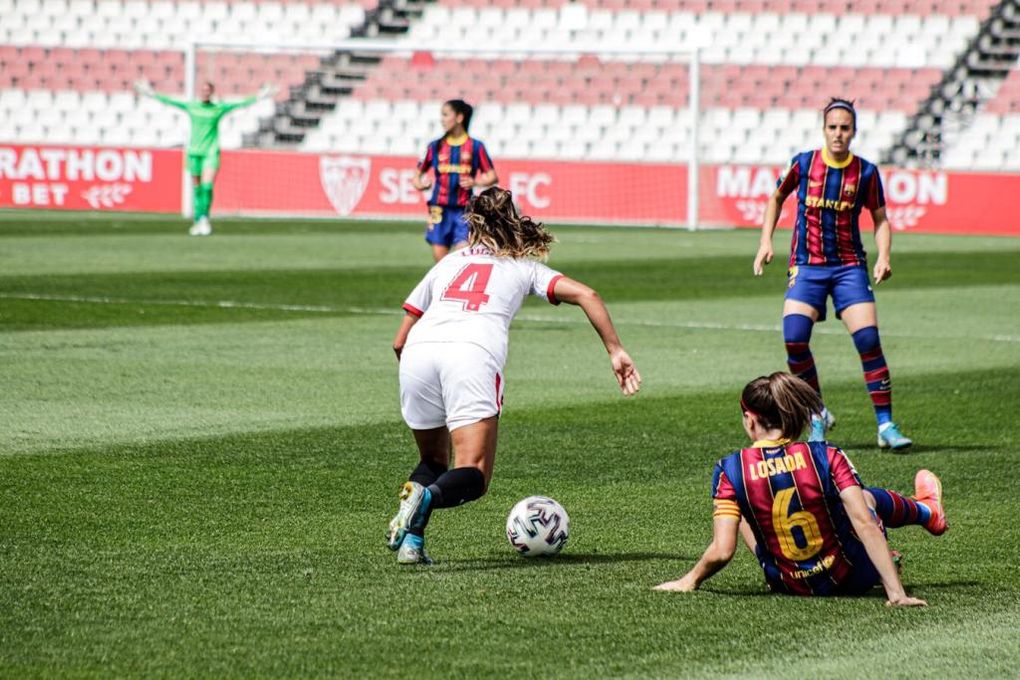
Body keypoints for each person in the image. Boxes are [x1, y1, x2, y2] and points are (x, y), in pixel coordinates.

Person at [387, 187, 641, 565]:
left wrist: (425, 377)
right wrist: (615, 349)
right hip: (470, 354)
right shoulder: (523, 267)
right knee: (472, 471)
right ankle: (425, 499)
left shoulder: (447, 263)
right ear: (513, 222)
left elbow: (399, 341)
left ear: (472, 224)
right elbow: (587, 294)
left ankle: (412, 542)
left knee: (433, 462)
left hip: (418, 353)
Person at [654, 372, 946, 605]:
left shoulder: (730, 469)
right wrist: (896, 593)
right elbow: (864, 523)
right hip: (852, 577)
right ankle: (926, 511)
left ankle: (919, 518)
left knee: (740, 505)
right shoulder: (825, 454)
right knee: (865, 500)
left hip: (787, 583)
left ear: (750, 418)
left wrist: (688, 581)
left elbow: (721, 551)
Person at [753, 98, 911, 450]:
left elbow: (881, 218)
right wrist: (766, 241)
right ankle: (817, 414)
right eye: (833, 127)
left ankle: (886, 426)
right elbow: (775, 199)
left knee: (868, 340)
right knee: (794, 338)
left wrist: (884, 256)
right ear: (823, 129)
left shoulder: (866, 172)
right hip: (807, 265)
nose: (839, 134)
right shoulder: (804, 164)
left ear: (854, 131)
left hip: (849, 267)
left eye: (845, 128)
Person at [134, 79, 277, 236]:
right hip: (194, 152)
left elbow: (241, 104)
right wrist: (151, 93)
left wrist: (260, 96)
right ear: (200, 92)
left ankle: (204, 219)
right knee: (197, 189)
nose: (205, 93)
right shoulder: (192, 107)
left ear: (212, 92)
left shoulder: (217, 109)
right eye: (203, 90)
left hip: (210, 152)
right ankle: (197, 221)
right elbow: (170, 101)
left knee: (207, 186)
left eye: (207, 90)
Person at [412, 99, 498, 262]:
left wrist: (476, 182)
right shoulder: (434, 146)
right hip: (439, 210)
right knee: (441, 263)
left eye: (445, 115)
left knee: (462, 259)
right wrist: (422, 185)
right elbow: (416, 177)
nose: (442, 119)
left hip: (464, 211)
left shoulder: (475, 146)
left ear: (459, 117)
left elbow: (492, 176)